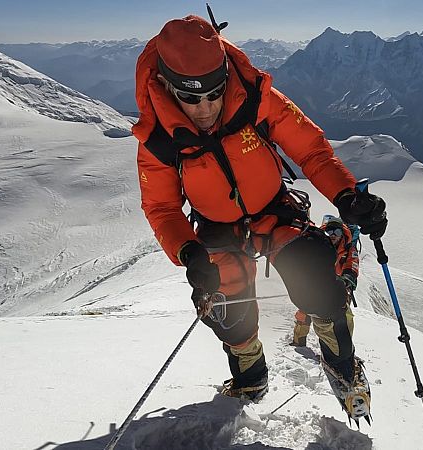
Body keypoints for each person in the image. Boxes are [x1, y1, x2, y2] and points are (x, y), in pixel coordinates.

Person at [132, 15, 387, 421]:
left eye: (214, 94)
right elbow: (162, 208)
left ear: (225, 76)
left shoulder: (256, 98)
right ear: (166, 85)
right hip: (217, 229)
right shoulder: (158, 139)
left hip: (274, 211)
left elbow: (310, 150)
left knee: (319, 283)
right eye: (191, 98)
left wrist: (346, 194)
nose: (205, 109)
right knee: (226, 310)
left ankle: (343, 367)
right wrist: (189, 253)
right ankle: (251, 378)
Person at [291, 215, 360, 348]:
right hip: (318, 283)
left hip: (339, 286)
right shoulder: (318, 244)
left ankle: (342, 346)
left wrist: (347, 278)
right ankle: (299, 341)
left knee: (341, 317)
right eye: (330, 231)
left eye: (337, 232)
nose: (333, 235)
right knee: (304, 310)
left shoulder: (349, 249)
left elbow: (352, 265)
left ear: (343, 234)